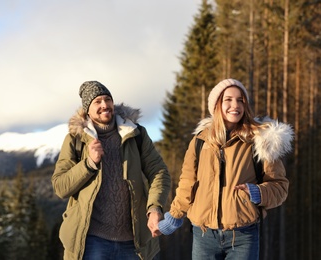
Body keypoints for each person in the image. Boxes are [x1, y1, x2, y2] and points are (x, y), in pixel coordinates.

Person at [157, 78, 293, 260]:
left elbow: (279, 187)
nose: (234, 105)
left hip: (243, 236)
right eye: (228, 99)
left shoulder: (260, 141)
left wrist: (257, 192)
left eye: (240, 100)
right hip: (203, 236)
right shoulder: (199, 141)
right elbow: (188, 183)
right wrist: (174, 217)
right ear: (216, 105)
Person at [52, 81, 171, 260]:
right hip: (91, 241)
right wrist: (89, 163)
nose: (104, 105)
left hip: (133, 242)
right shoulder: (75, 140)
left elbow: (159, 172)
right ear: (87, 110)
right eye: (97, 102)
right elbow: (60, 187)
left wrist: (155, 207)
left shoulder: (135, 134)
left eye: (108, 99)